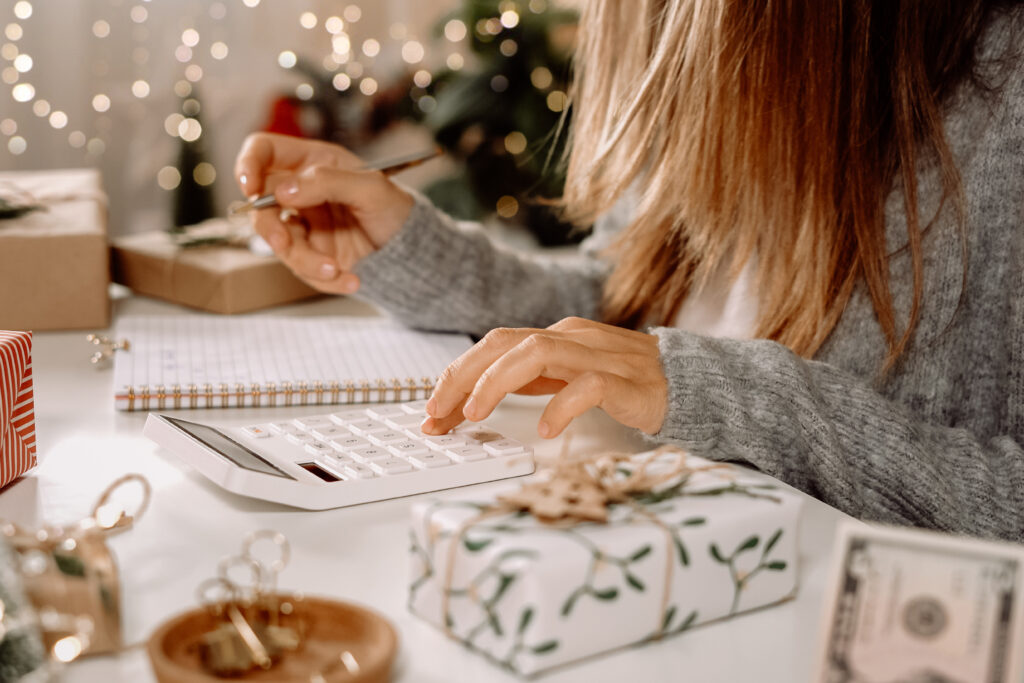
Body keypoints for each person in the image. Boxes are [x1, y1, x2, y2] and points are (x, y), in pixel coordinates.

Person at [235, 1, 1024, 540]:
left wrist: (725, 393)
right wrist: (400, 241)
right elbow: (618, 308)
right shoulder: (685, 38)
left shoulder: (1002, 101)